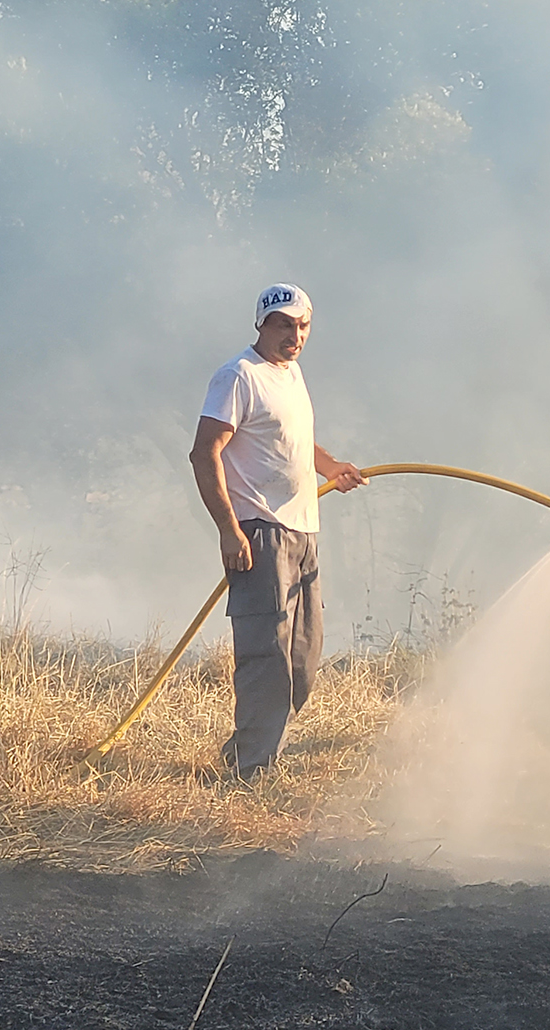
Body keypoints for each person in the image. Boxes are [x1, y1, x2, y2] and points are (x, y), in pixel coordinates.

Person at [190, 283, 365, 778]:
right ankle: (252, 771)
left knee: (303, 660)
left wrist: (330, 467)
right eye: (284, 324)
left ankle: (243, 753)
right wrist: (230, 530)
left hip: (304, 531)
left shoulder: (291, 375)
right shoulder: (237, 377)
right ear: (262, 325)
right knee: (267, 657)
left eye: (303, 325)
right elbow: (205, 453)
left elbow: (293, 439)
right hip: (260, 532)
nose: (295, 335)